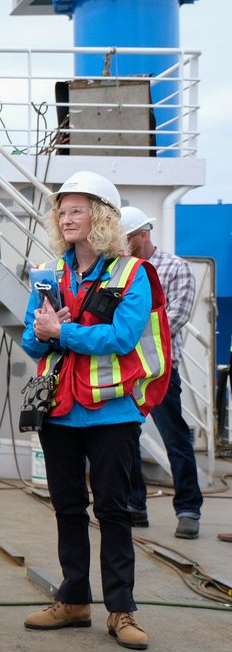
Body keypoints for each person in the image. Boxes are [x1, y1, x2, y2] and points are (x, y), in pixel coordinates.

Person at [21, 171, 170, 651]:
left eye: (77, 210)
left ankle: (122, 610)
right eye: (62, 211)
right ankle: (73, 600)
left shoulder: (132, 274)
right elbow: (29, 340)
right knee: (67, 507)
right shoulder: (49, 274)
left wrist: (60, 332)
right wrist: (43, 330)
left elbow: (122, 338)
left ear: (102, 217)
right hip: (59, 410)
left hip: (112, 413)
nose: (66, 218)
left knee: (113, 510)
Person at [120, 205, 203, 539]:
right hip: (126, 369)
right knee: (125, 438)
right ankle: (134, 506)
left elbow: (175, 317)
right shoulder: (119, 270)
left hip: (161, 369)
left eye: (127, 238)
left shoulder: (174, 268)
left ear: (143, 234)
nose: (122, 245)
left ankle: (188, 510)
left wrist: (127, 333)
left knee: (175, 439)